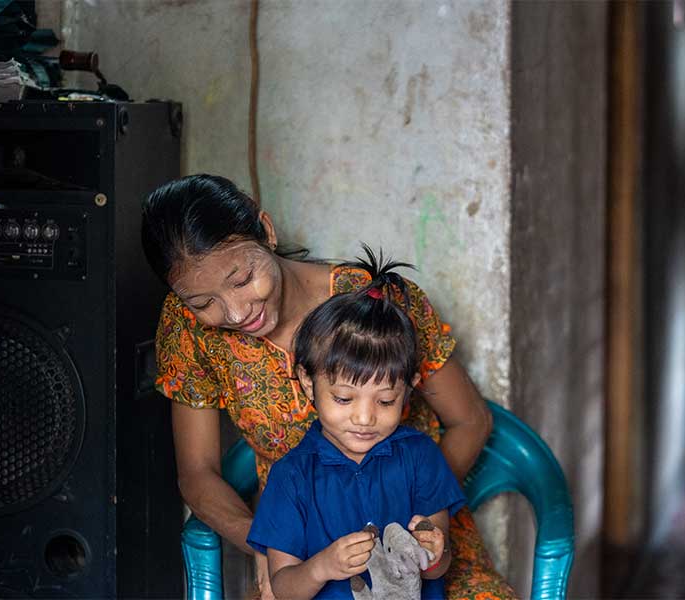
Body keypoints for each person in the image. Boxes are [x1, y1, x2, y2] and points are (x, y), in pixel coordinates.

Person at [141, 174, 516, 599]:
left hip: (416, 543)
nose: (236, 311)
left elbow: (470, 421)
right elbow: (196, 474)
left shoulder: (375, 303)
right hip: (301, 552)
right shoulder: (187, 328)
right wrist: (269, 543)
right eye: (204, 303)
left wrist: (416, 526)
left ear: (266, 230)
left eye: (243, 279)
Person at [247, 254, 466, 599]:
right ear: (307, 382)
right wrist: (322, 566)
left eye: (385, 401)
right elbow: (284, 589)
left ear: (410, 387)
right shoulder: (291, 477)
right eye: (344, 399)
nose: (364, 419)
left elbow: (438, 565)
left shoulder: (420, 456)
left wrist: (435, 551)